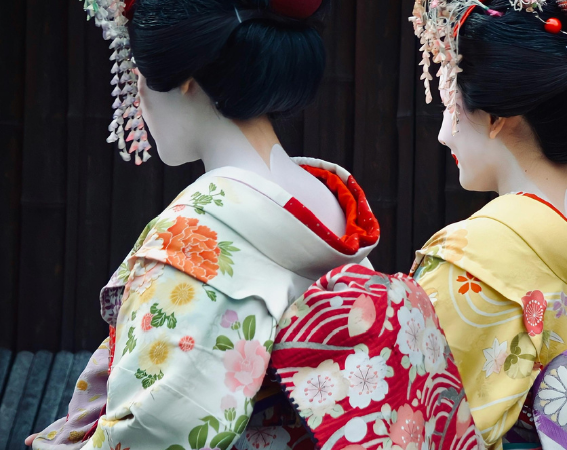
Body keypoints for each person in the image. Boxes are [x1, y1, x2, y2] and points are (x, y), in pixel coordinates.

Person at [28, 0, 477, 449]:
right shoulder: (328, 200)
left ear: (185, 78)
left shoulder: (193, 237)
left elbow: (153, 429)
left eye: (139, 72)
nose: (139, 93)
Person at [407, 0, 567, 447]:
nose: (444, 133)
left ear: (497, 119)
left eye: (451, 105)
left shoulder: (473, 256)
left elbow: (421, 422)